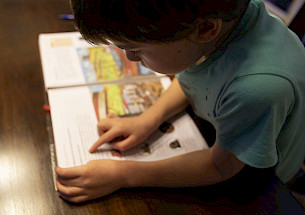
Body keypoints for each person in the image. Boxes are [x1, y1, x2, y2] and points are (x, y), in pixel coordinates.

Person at [55, 0, 305, 203]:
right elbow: (195, 74)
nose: (130, 58)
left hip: (261, 176)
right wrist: (148, 119)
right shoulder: (221, 19)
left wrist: (123, 174)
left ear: (206, 30)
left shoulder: (258, 87)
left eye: (137, 50)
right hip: (225, 128)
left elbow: (220, 167)